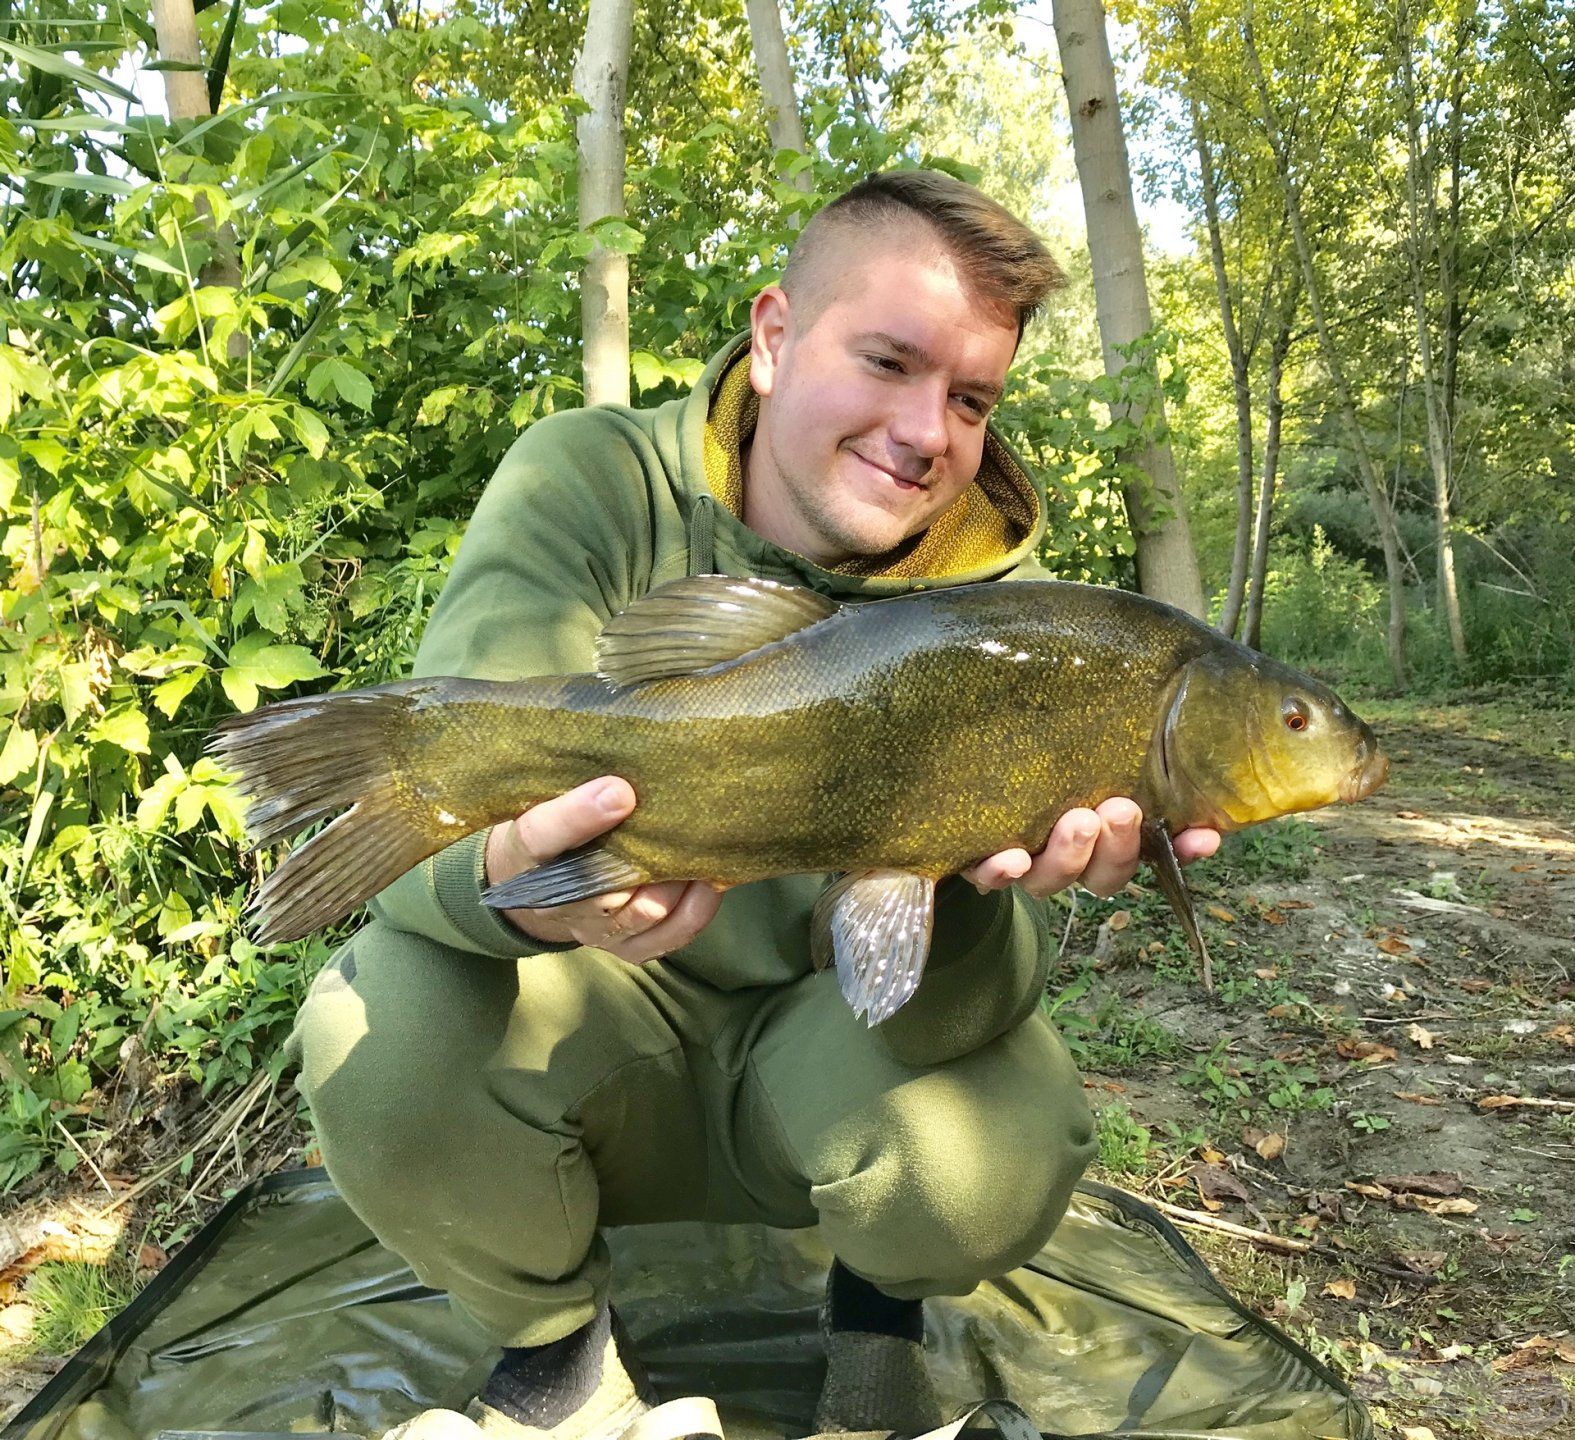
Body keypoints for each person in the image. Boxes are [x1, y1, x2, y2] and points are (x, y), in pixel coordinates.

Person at [293, 170, 1220, 1440]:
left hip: (829, 1052)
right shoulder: (590, 479)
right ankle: (559, 1353)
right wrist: (522, 886)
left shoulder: (1031, 629)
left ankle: (875, 1312)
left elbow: (972, 1004)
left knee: (997, 1140)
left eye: (970, 398)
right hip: (600, 1030)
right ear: (776, 337)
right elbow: (429, 871)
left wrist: (982, 883)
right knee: (373, 1026)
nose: (926, 430)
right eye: (887, 361)